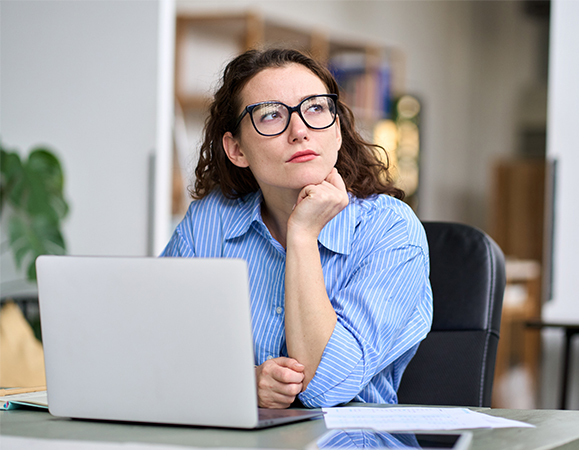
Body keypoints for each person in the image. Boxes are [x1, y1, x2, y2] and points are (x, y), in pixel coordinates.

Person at [162, 48, 432, 409]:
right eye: (271, 115)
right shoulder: (209, 223)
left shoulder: (392, 230)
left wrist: (302, 235)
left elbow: (324, 387)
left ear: (336, 130)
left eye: (316, 108)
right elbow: (157, 351)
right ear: (237, 149)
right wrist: (243, 380)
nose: (300, 131)